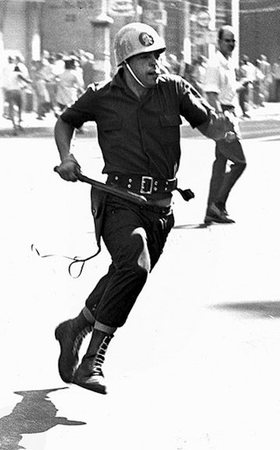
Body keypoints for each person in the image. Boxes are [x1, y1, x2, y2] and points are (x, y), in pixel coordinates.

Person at [52, 22, 235, 395]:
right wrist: (66, 157)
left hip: (161, 210)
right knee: (135, 265)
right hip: (118, 200)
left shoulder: (174, 89)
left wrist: (222, 130)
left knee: (125, 273)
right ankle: (92, 360)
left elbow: (207, 123)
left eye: (157, 56)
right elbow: (65, 121)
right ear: (126, 62)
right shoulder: (102, 94)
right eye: (146, 58)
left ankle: (75, 326)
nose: (155, 64)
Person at [204, 25, 248, 224]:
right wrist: (222, 123)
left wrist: (241, 84)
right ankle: (217, 204)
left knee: (220, 165)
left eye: (233, 40)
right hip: (224, 118)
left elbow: (226, 91)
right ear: (218, 42)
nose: (231, 44)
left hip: (230, 113)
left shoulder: (228, 63)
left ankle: (211, 210)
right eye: (227, 40)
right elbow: (211, 95)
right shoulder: (215, 64)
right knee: (240, 162)